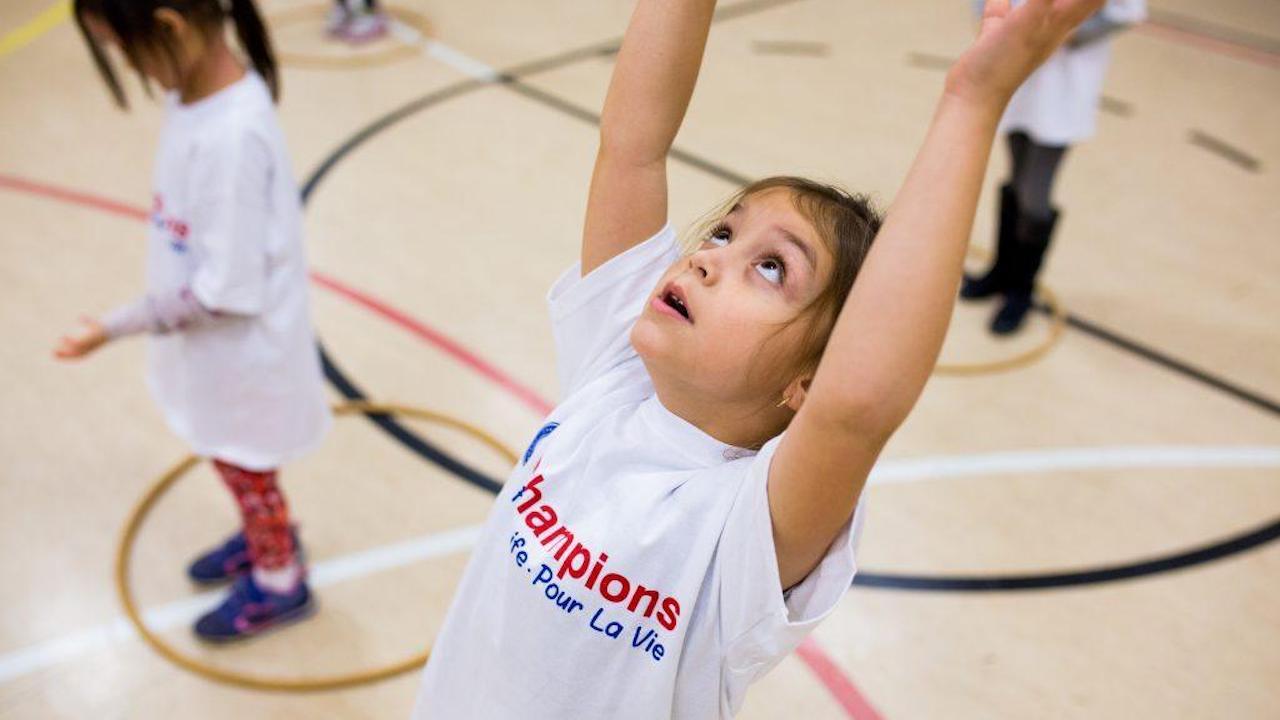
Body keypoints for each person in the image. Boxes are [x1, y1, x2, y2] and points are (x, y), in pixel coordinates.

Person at [411, 0, 1104, 716]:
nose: (709, 262)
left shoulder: (744, 530)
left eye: (771, 268)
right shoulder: (614, 375)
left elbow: (859, 405)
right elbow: (632, 146)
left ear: (807, 382)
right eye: (721, 235)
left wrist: (973, 101)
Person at [59, 0, 331, 642]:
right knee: (235, 465)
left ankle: (280, 579)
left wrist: (112, 326)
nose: (130, 65)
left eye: (126, 49)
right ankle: (264, 537)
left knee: (247, 468)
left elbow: (220, 293)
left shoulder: (231, 137)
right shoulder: (200, 101)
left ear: (170, 24)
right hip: (218, 354)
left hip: (242, 356)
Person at [961, 0, 1146, 333]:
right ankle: (1001, 272)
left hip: (1063, 82)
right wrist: (999, 29)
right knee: (1016, 179)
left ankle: (1021, 290)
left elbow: (1127, 12)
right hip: (1017, 71)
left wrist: (1059, 33)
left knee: (1035, 195)